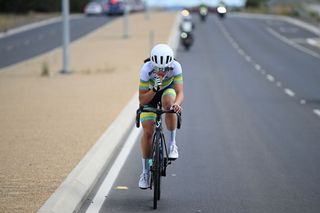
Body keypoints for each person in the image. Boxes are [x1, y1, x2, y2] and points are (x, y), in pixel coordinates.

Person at [138, 43, 184, 189]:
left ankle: (172, 145)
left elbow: (180, 92)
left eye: (164, 68)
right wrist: (154, 89)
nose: (161, 71)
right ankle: (145, 172)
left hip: (167, 92)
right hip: (150, 95)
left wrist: (176, 104)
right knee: (148, 131)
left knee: (169, 105)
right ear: (152, 63)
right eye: (158, 68)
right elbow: (142, 100)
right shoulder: (146, 69)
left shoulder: (176, 66)